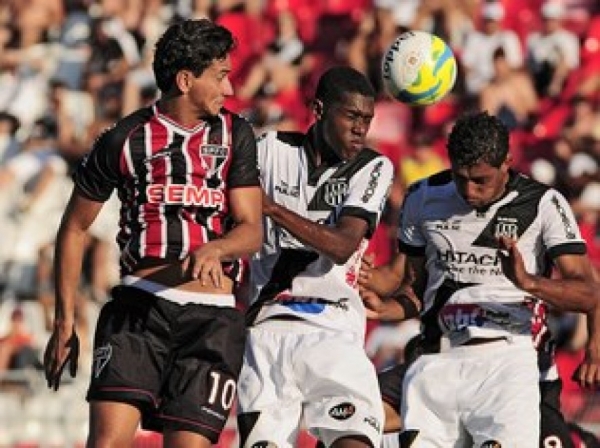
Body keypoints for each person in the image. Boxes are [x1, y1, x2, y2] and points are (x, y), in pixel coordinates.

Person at [42, 18, 263, 448]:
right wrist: (64, 321)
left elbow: (252, 229)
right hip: (139, 311)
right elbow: (73, 227)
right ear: (185, 80)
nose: (230, 90)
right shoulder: (124, 138)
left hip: (212, 322)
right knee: (105, 444)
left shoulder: (236, 134)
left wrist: (216, 248)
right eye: (221, 76)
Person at [359, 111, 600, 447]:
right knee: (352, 418)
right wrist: (383, 305)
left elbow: (589, 292)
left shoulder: (544, 204)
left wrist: (529, 283)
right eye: (460, 178)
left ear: (507, 162)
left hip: (514, 360)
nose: (469, 191)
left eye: (480, 180)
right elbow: (415, 288)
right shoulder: (423, 197)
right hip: (438, 358)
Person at [236, 66, 394, 448]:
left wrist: (272, 209)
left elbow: (342, 246)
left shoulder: (373, 167)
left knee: (355, 441)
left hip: (333, 325)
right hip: (267, 329)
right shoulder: (269, 149)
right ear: (320, 109)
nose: (361, 129)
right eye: (352, 116)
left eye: (367, 120)